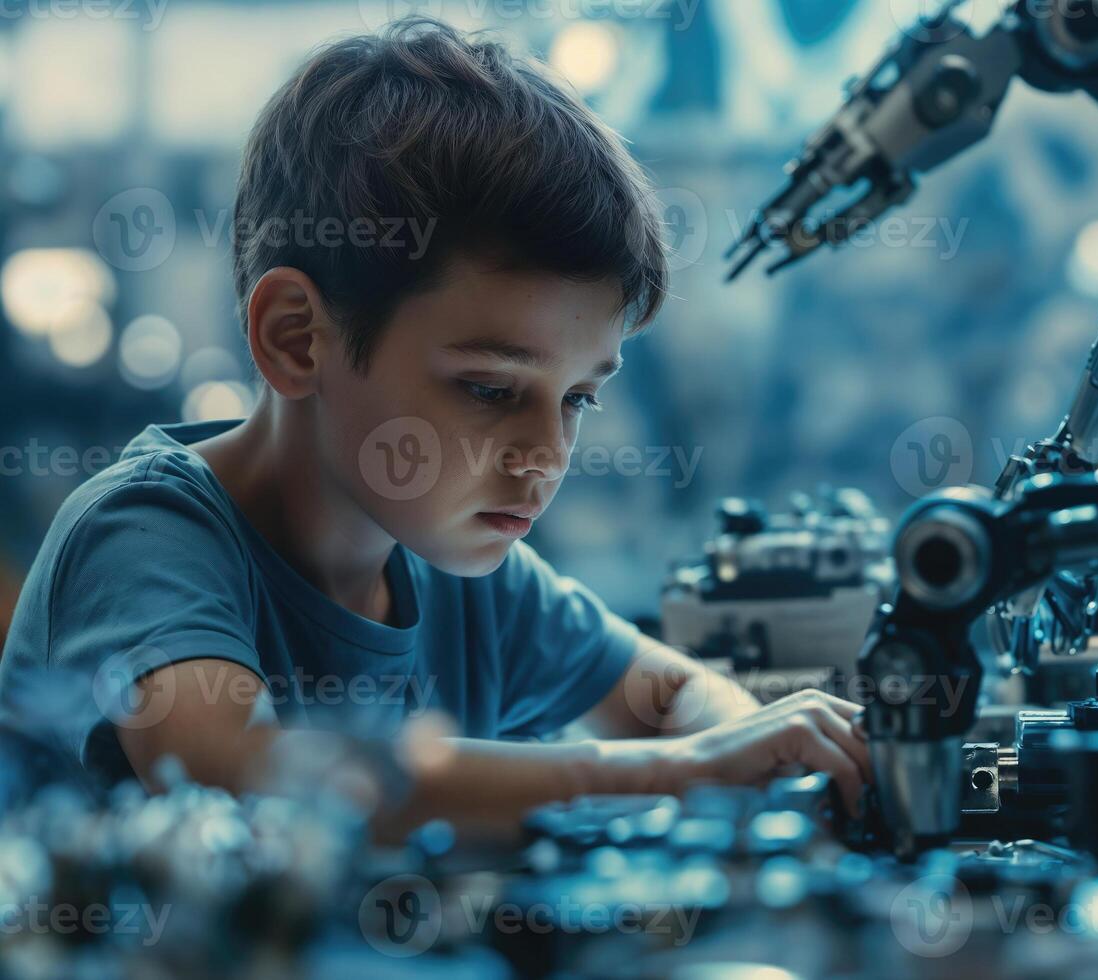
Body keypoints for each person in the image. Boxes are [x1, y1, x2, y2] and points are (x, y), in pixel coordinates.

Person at [0, 19, 869, 836]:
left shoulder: (467, 578)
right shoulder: (144, 539)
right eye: (491, 390)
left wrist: (737, 749)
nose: (545, 457)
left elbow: (678, 698)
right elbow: (244, 772)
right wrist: (676, 773)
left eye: (577, 398)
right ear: (296, 338)